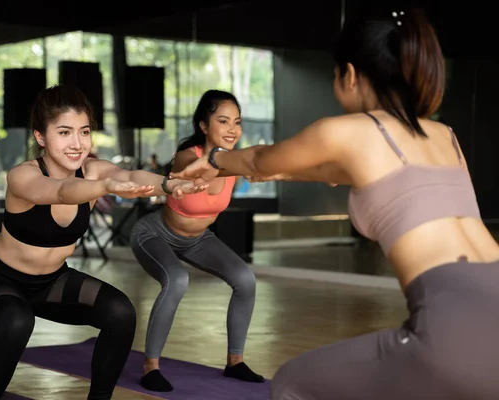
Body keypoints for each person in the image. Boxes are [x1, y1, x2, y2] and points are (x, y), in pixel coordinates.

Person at [171, 10, 499, 400]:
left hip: (454, 329)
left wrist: (213, 161)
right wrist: (247, 170)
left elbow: (261, 160)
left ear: (350, 74)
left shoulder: (345, 131)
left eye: (333, 75)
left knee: (292, 383)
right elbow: (306, 172)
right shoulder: (446, 136)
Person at [0, 85, 207, 400]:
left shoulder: (93, 171)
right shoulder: (23, 176)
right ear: (41, 138)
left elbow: (134, 176)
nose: (77, 143)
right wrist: (105, 186)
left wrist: (172, 184)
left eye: (84, 131)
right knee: (18, 319)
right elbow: (62, 191)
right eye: (64, 132)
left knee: (121, 312)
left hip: (49, 283)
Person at [130, 89, 264, 392]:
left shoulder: (235, 163)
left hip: (199, 239)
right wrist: (246, 163)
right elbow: (207, 162)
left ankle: (235, 362)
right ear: (204, 126)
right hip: (155, 233)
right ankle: (151, 367)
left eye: (237, 122)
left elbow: (256, 165)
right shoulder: (187, 157)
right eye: (223, 121)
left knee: (245, 279)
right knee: (176, 279)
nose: (232, 129)